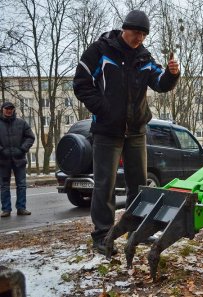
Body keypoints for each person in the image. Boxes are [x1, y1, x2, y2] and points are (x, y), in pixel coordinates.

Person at [73, 10, 180, 255]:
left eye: (143, 35)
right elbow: (80, 83)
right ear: (125, 29)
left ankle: (137, 231)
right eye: (136, 33)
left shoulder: (144, 57)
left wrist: (172, 74)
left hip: (136, 131)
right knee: (105, 185)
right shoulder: (101, 50)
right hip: (107, 131)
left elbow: (160, 83)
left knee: (139, 186)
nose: (139, 39)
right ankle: (103, 236)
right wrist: (103, 109)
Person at [0, 101, 35, 218]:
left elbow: (30, 137)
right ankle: (6, 209)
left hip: (19, 159)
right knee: (4, 186)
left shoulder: (21, 123)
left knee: (21, 184)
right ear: (2, 110)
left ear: (13, 110)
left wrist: (22, 149)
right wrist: (1, 150)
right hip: (3, 161)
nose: (9, 110)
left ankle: (21, 208)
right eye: (6, 108)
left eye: (11, 108)